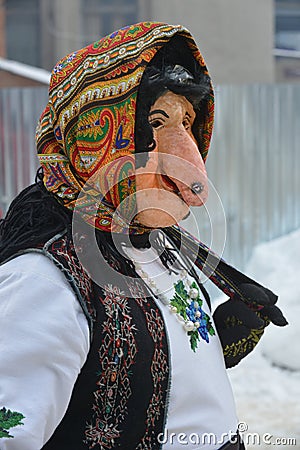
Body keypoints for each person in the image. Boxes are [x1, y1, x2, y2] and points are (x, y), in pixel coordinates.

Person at [0, 22, 287, 450]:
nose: (189, 157)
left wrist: (211, 346)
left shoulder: (160, 244)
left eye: (188, 124)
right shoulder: (43, 283)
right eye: (156, 121)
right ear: (94, 133)